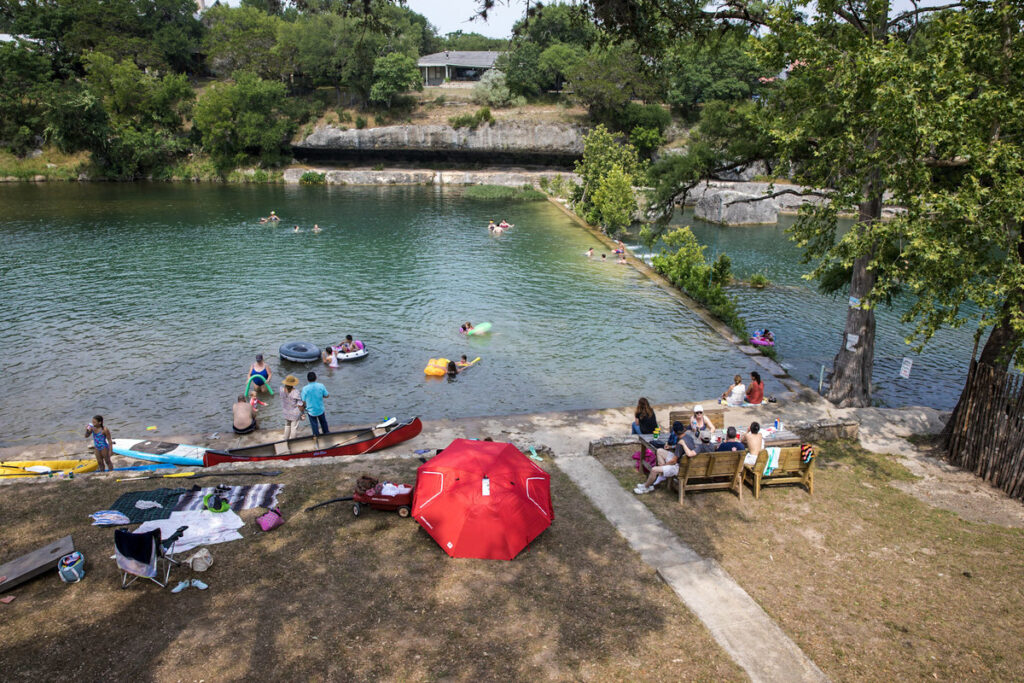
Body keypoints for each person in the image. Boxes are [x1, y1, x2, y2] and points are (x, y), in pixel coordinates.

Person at [301, 371, 330, 437]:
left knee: (314, 425)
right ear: (316, 378)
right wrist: (322, 396)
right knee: (323, 422)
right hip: (320, 409)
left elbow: (303, 401)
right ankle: (327, 434)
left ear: (307, 379)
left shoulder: (305, 389)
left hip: (311, 411)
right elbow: (327, 395)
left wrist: (304, 408)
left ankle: (316, 436)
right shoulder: (321, 386)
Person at [280, 375, 303, 441]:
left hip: (286, 412)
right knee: (294, 428)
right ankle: (293, 441)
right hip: (294, 413)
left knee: (287, 426)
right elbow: (300, 404)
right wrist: (302, 413)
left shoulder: (281, 390)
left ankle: (285, 439)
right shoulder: (296, 392)